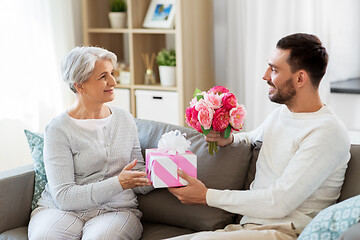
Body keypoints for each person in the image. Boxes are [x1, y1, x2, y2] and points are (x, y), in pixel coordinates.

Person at [168, 33, 351, 240]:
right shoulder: (283, 113)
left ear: (300, 78)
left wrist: (205, 196)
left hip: (284, 232)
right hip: (249, 229)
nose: (265, 76)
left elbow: (279, 201)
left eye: (274, 69)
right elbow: (253, 137)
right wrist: (229, 139)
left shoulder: (326, 132)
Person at [28, 46, 152, 240]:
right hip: (60, 210)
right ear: (80, 86)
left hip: (115, 210)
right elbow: (63, 196)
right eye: (103, 76)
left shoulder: (125, 119)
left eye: (112, 73)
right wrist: (119, 182)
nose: (113, 81)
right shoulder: (58, 129)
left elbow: (138, 179)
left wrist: (164, 171)